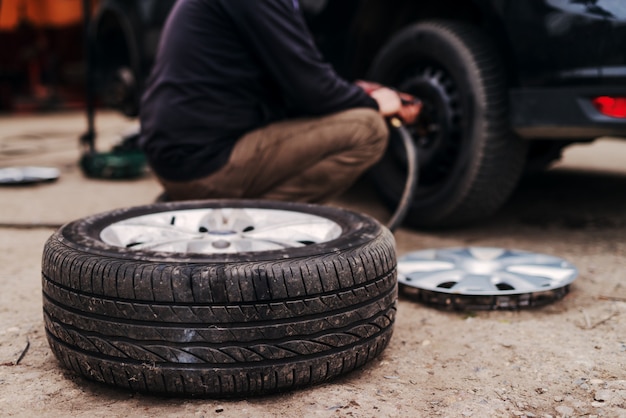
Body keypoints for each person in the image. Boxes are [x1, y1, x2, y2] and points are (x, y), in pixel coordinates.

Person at [139, 0, 421, 203]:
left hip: (178, 155)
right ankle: (236, 223)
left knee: (354, 115)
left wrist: (354, 93)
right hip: (204, 162)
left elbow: (296, 83)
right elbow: (312, 89)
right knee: (368, 130)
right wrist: (375, 103)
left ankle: (197, 205)